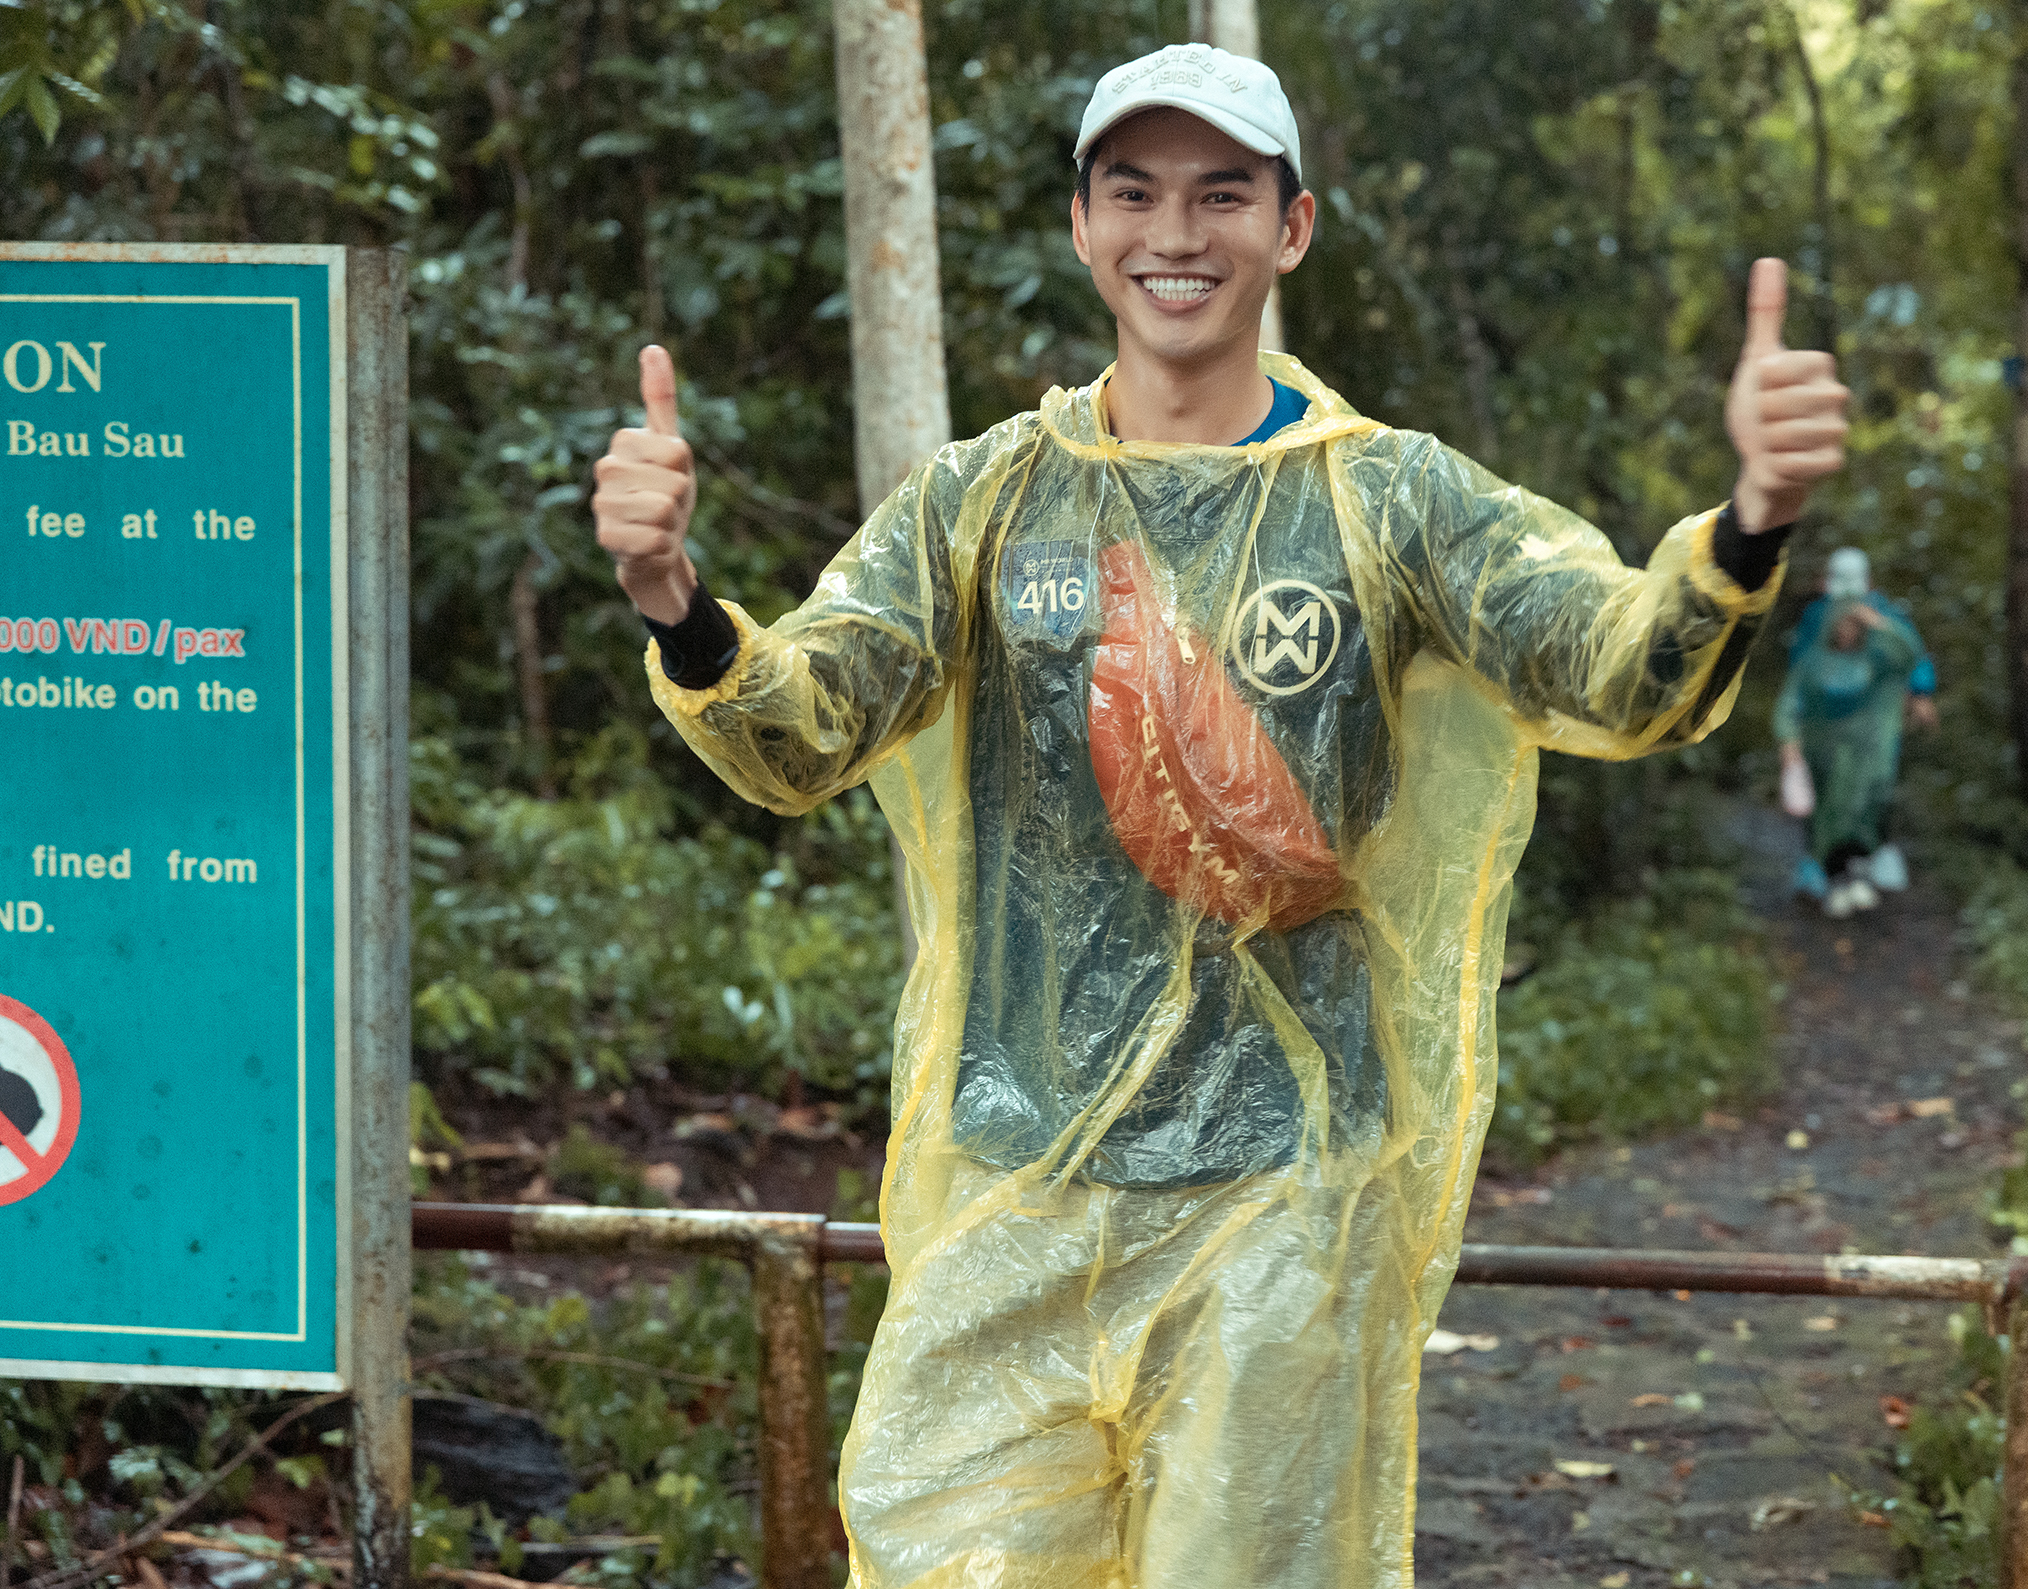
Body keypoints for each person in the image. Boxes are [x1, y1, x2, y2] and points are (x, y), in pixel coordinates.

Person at [591, 42, 1849, 1588]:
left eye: (1219, 196)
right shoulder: (980, 501)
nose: (1173, 235)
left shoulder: (1389, 499)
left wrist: (1743, 527)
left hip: (1280, 1203)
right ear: (1079, 225)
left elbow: (1606, 666)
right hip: (1017, 1182)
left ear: (1291, 227)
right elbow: (802, 734)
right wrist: (673, 601)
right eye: (1133, 193)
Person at [1784, 546, 1935, 899]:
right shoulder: (1817, 617)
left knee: (1874, 790)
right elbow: (1801, 668)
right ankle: (1820, 865)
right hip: (1826, 725)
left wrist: (1921, 691)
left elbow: (1911, 653)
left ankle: (1867, 861)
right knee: (1824, 794)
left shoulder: (1885, 614)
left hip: (1875, 727)